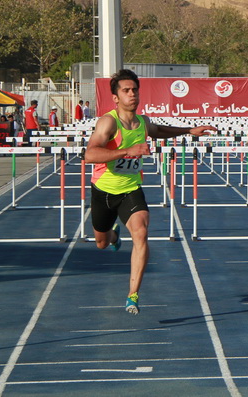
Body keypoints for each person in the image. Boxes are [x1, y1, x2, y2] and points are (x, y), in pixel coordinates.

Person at [85, 69, 217, 314]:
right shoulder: (109, 122)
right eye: (126, 91)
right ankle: (114, 236)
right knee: (101, 243)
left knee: (141, 233)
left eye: (135, 90)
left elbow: (159, 131)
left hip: (131, 190)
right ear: (115, 97)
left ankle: (132, 295)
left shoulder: (142, 122)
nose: (132, 94)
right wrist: (127, 151)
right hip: (103, 191)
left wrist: (189, 130)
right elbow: (90, 155)